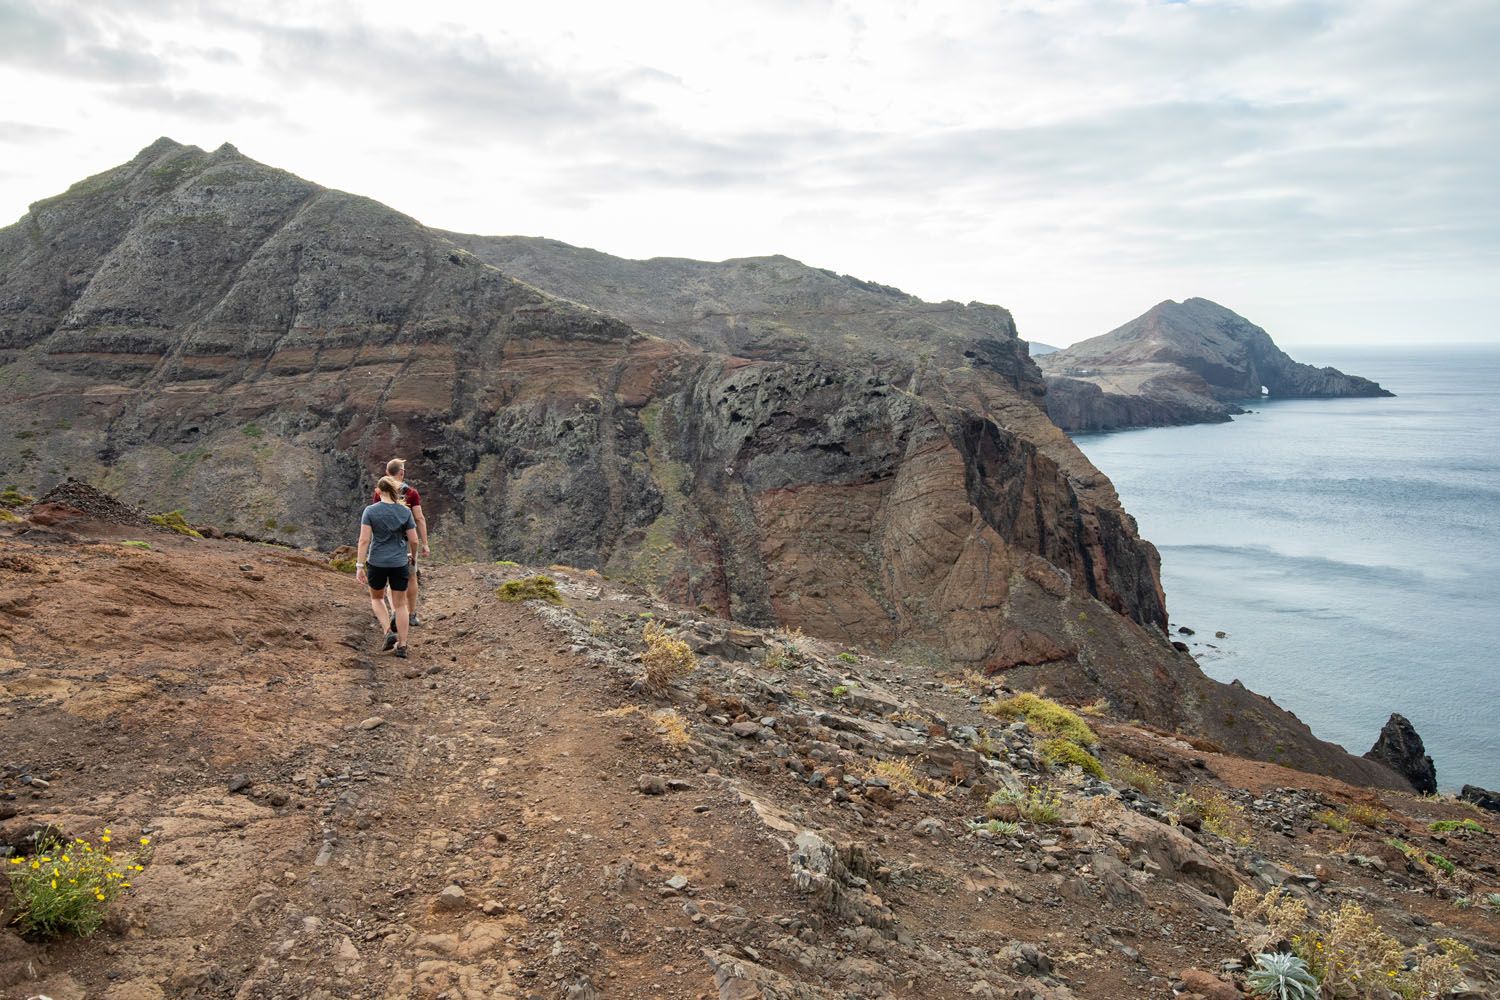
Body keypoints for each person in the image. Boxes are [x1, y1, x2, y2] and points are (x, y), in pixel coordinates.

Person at [355, 476, 418, 658]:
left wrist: (359, 565)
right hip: (399, 563)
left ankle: (388, 632)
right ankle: (403, 646)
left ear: (378, 491)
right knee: (400, 605)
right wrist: (412, 557)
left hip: (377, 562)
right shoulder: (405, 512)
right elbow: (413, 540)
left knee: (377, 599)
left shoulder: (370, 511)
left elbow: (364, 540)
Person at [371, 458, 431, 625]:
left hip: (385, 542)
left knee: (391, 580)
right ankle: (411, 614)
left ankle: (396, 611)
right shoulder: (411, 493)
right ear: (402, 473)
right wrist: (424, 543)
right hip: (406, 542)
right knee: (411, 577)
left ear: (387, 474)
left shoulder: (379, 493)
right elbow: (419, 518)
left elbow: (376, 516)